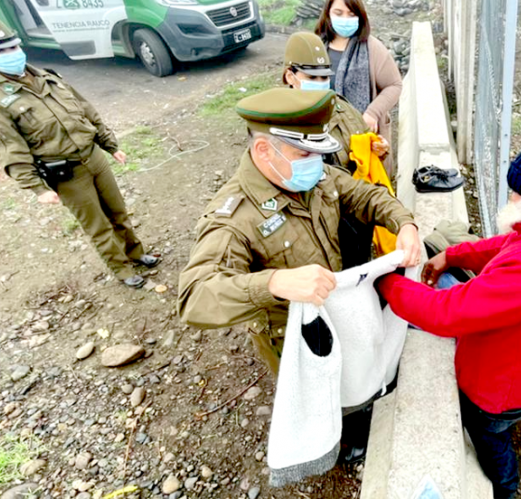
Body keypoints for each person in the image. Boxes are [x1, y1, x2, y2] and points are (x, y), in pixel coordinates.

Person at [178, 88, 420, 462]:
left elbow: (364, 195)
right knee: (319, 394)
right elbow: (195, 297)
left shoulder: (315, 177)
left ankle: (356, 418)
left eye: (319, 153)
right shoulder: (235, 216)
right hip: (291, 334)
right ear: (264, 152)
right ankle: (333, 443)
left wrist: (403, 222)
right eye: (304, 154)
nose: (316, 163)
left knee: (350, 374)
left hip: (335, 308)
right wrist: (273, 283)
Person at [376, 121, 521, 499]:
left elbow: (446, 312)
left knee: (491, 437)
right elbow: (511, 244)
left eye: (517, 192)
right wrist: (454, 254)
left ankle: (506, 489)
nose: (511, 196)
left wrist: (386, 281)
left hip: (498, 390)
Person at [0, 14, 158, 288]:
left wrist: (110, 145)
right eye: (2, 51)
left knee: (118, 212)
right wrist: (37, 188)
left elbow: (85, 109)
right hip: (67, 173)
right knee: (98, 226)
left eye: (14, 46)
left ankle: (136, 253)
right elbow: (9, 148)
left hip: (94, 157)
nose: (12, 53)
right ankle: (123, 270)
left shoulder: (48, 77)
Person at [315, 0, 402, 175]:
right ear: (328, 14)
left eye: (351, 14)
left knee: (368, 192)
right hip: (323, 140)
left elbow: (394, 85)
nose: (345, 19)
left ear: (360, 16)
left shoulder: (372, 48)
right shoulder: (316, 47)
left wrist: (373, 113)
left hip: (364, 139)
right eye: (338, 13)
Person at [282, 31, 389, 173]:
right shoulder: (279, 122)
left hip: (353, 192)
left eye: (324, 77)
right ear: (290, 77)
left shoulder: (343, 109)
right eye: (312, 78)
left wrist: (378, 149)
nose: (320, 83)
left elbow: (365, 156)